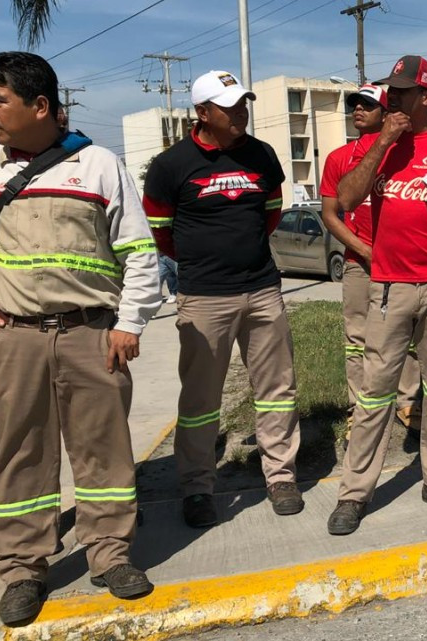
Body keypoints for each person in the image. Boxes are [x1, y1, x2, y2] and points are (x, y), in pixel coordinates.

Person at [0, 51, 160, 625]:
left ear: (40, 106)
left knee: (103, 450)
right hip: (15, 338)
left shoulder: (100, 165)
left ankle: (109, 555)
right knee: (21, 454)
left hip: (91, 335)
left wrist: (129, 323)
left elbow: (138, 250)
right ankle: (24, 567)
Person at [143, 70, 302, 528]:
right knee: (200, 400)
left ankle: (281, 476)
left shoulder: (262, 156)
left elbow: (271, 214)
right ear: (202, 113)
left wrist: (245, 259)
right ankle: (197, 486)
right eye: (229, 108)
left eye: (242, 105)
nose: (240, 114)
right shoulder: (171, 165)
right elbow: (162, 233)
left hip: (262, 290)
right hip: (204, 298)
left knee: (276, 390)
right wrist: (204, 265)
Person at [328, 55, 427, 535]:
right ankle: (354, 493)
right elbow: (347, 201)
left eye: (404, 91)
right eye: (390, 89)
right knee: (374, 391)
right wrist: (385, 141)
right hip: (388, 283)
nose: (392, 97)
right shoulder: (373, 144)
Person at [319, 83, 423, 443]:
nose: (358, 109)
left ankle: (409, 403)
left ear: (387, 111)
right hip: (359, 262)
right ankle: (358, 408)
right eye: (354, 104)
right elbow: (331, 214)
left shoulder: (402, 150)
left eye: (367, 104)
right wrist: (363, 251)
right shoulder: (338, 157)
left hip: (402, 262)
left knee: (405, 334)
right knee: (357, 338)